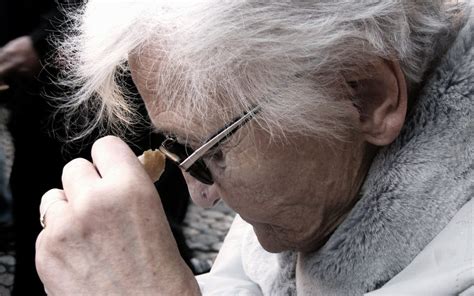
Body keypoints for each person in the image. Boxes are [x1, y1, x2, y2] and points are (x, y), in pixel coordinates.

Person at [35, 0, 472, 295]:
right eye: (177, 146)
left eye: (211, 153)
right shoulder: (322, 179)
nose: (201, 198)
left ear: (365, 98)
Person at [1, 1, 195, 295]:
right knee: (37, 218)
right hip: (38, 95)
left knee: (141, 221)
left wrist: (42, 40)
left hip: (117, 88)